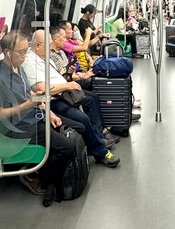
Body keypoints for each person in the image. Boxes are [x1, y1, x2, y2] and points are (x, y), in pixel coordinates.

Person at [0, 30, 76, 205]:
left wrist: (48, 111)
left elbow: (31, 93)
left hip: (35, 117)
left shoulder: (19, 69)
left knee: (77, 127)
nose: (25, 56)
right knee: (67, 147)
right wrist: (27, 105)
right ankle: (46, 183)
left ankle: (45, 176)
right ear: (7, 52)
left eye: (26, 51)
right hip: (19, 127)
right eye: (21, 52)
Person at [22, 29, 121, 167]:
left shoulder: (45, 58)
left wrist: (69, 78)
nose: (51, 48)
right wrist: (67, 86)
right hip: (54, 100)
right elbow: (41, 89)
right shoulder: (30, 63)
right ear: (38, 45)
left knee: (91, 101)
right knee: (83, 119)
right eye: (48, 45)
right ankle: (101, 152)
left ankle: (98, 138)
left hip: (64, 94)